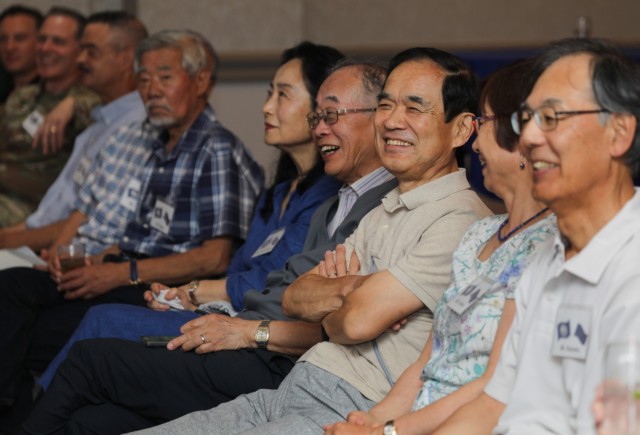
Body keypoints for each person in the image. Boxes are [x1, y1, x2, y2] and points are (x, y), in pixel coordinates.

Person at [126, 46, 491, 435]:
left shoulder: (461, 219)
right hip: (293, 388)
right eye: (386, 105)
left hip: (354, 407)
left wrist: (341, 302)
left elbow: (353, 322)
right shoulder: (382, 209)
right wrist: (359, 288)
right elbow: (295, 298)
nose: (392, 122)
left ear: (462, 129)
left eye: (415, 108)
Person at [23, 60, 397, 435]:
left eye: (330, 114)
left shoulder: (378, 208)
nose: (319, 128)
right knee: (91, 419)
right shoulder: (328, 201)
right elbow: (287, 289)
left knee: (92, 356)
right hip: (245, 331)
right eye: (316, 116)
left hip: (276, 357)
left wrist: (228, 312)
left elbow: (319, 309)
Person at [37, 40, 345, 388]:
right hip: (222, 310)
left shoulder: (326, 196)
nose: (266, 107)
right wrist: (185, 295)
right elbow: (240, 265)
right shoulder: (277, 193)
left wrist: (194, 291)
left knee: (100, 324)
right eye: (269, 93)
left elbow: (268, 279)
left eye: (283, 95)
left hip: (256, 336)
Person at [0, 29, 263, 433]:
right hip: (118, 267)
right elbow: (140, 230)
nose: (151, 90)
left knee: (28, 337)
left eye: (164, 77)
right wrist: (98, 258)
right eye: (143, 79)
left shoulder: (215, 150)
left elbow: (215, 257)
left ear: (201, 81)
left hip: (156, 288)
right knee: (12, 286)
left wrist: (122, 271)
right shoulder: (158, 146)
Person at [323, 60, 557, 435]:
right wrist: (374, 418)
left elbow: (497, 386)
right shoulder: (478, 236)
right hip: (411, 415)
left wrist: (388, 432)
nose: (476, 142)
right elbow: (427, 362)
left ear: (526, 140)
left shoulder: (550, 246)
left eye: (487, 124)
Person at [432, 37, 640, 435]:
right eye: (525, 119)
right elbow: (495, 401)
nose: (528, 137)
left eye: (551, 117)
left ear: (618, 133)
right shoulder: (546, 255)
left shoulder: (632, 263)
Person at [0, 10, 148, 251]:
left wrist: (8, 241)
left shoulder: (136, 130)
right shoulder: (99, 123)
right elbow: (50, 212)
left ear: (125, 59)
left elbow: (91, 221)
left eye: (91, 52)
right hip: (39, 243)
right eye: (81, 51)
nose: (81, 60)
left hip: (70, 256)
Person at [0, 7, 100, 227]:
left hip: (31, 210)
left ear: (80, 51)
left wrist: (74, 103)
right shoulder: (24, 96)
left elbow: (115, 109)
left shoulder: (89, 102)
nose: (46, 49)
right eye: (42, 39)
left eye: (58, 42)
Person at [0, 5, 42, 104]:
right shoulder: (4, 90)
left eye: (20, 38)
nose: (9, 47)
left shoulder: (52, 94)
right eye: (3, 39)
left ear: (40, 41)